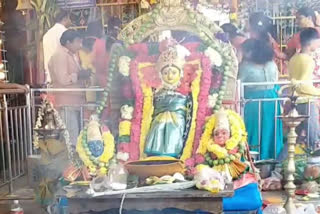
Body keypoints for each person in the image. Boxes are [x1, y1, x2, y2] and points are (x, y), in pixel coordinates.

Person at [238, 39, 283, 160]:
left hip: (252, 102)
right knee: (270, 130)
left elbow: (237, 84)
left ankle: (251, 159)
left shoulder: (245, 67)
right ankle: (273, 158)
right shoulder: (272, 64)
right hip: (272, 101)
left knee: (253, 130)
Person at [48, 29, 88, 146]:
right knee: (71, 136)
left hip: (74, 101)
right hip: (66, 102)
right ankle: (70, 163)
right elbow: (63, 79)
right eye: (77, 42)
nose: (80, 45)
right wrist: (79, 75)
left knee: (75, 134)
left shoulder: (71, 55)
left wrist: (83, 75)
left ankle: (73, 162)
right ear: (68, 42)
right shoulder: (60, 55)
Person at [288, 28, 320, 149]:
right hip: (306, 101)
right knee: (313, 137)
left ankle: (279, 163)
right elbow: (303, 85)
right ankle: (314, 164)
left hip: (295, 101)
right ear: (312, 42)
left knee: (293, 137)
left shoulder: (294, 58)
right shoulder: (308, 60)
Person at [43, 10, 72, 84]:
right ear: (65, 18)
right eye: (70, 18)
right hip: (64, 77)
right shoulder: (66, 33)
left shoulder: (47, 35)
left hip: (50, 75)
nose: (70, 21)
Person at [0, 0, 26, 84]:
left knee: (14, 69)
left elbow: (21, 28)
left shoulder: (15, 14)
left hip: (14, 47)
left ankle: (15, 85)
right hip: (12, 47)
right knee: (13, 68)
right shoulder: (11, 15)